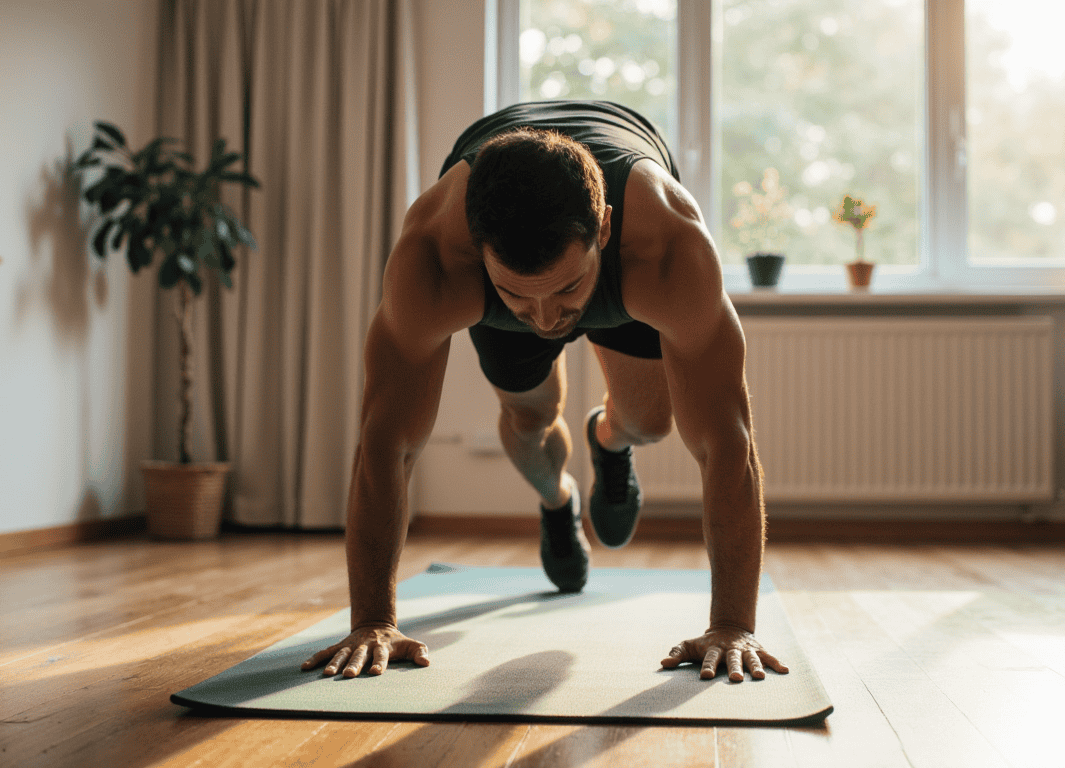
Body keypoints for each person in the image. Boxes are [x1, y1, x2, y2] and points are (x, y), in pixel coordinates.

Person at [300, 100, 789, 683]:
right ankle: (558, 500)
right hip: (533, 280)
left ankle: (609, 440)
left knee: (650, 422)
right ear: (477, 248)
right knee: (530, 424)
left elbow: (728, 444)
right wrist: (373, 621)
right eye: (518, 294)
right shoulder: (435, 257)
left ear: (604, 227)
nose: (546, 318)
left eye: (566, 290)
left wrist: (732, 624)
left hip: (624, 272)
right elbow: (387, 443)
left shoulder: (668, 248)